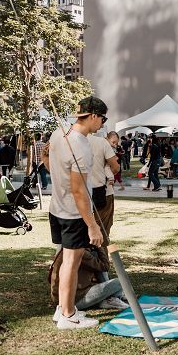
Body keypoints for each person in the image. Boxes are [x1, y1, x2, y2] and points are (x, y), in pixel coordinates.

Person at [43, 95, 106, 329]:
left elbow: (47, 159)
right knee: (71, 261)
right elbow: (79, 192)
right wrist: (92, 225)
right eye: (102, 118)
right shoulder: (81, 146)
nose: (102, 124)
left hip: (56, 208)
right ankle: (68, 315)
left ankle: (63, 309)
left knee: (67, 261)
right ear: (92, 116)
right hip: (73, 213)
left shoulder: (58, 133)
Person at [49, 246, 128, 311]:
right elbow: (105, 266)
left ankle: (108, 298)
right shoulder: (82, 252)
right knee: (120, 282)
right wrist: (100, 246)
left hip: (63, 299)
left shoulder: (68, 249)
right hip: (74, 301)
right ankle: (110, 298)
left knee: (96, 256)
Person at [88, 131, 120, 239]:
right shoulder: (102, 143)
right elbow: (115, 168)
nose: (114, 145)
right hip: (104, 191)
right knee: (103, 228)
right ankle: (101, 254)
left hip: (84, 191)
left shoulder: (74, 141)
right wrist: (111, 174)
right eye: (113, 142)